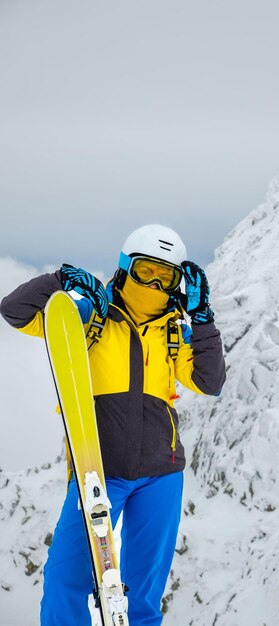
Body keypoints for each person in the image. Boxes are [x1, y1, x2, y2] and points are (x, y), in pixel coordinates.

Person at [0, 224, 226, 626]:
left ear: (178, 283)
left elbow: (210, 382)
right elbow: (14, 311)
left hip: (162, 474)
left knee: (143, 594)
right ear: (125, 268)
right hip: (99, 472)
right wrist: (58, 281)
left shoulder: (175, 331)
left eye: (166, 277)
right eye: (145, 272)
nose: (154, 284)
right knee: (64, 581)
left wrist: (203, 319)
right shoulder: (90, 317)